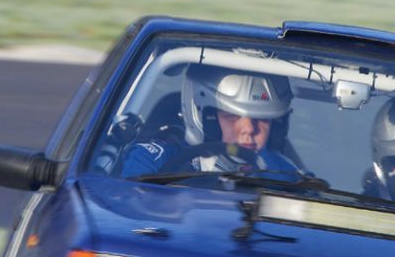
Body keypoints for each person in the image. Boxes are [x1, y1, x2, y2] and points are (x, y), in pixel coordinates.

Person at [121, 68, 301, 178]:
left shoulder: (284, 174)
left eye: (261, 119)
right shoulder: (153, 161)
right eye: (232, 116)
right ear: (204, 118)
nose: (248, 130)